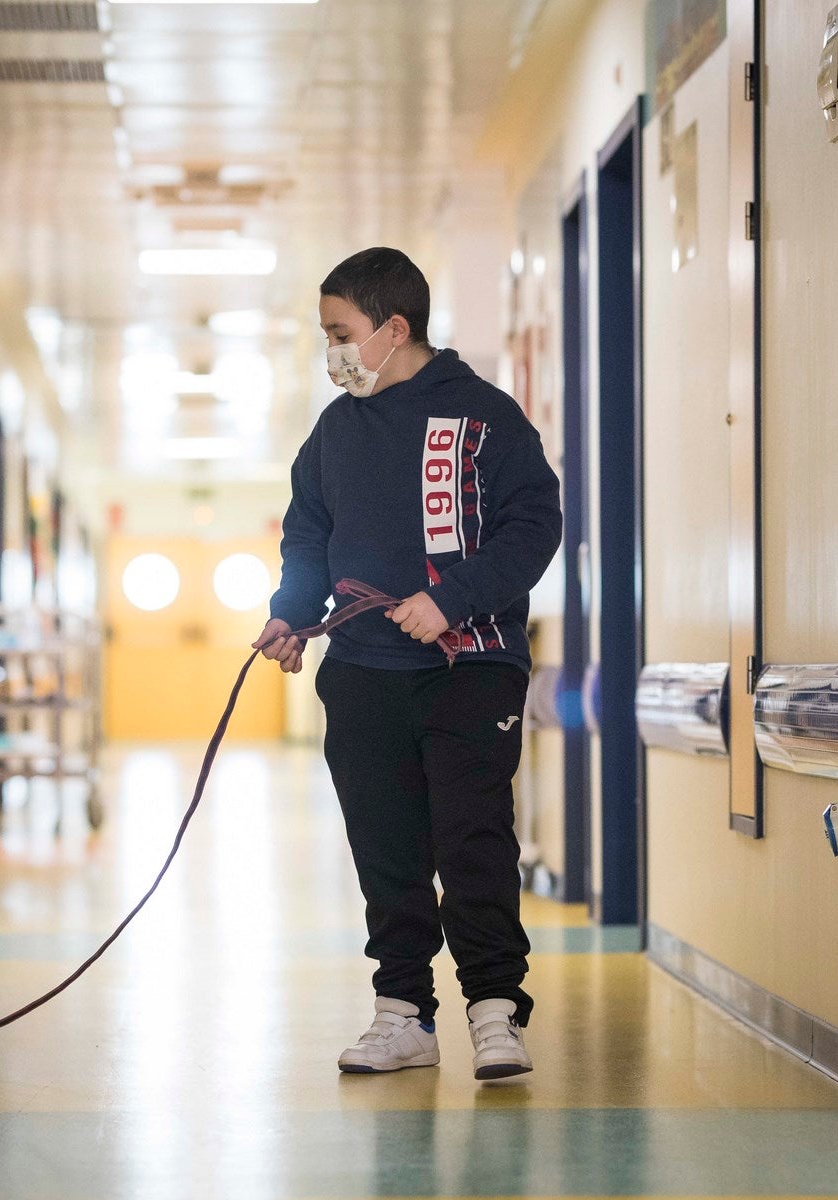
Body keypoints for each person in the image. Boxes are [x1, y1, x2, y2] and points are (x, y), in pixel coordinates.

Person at [256, 247, 562, 1081]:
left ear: (394, 329)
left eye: (340, 333)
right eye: (326, 335)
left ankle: (495, 1011)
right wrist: (290, 615)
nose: (332, 352)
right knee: (385, 848)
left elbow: (533, 525)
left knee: (471, 839)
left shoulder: (483, 417)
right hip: (361, 670)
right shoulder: (334, 432)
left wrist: (452, 598)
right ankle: (403, 1015)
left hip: (470, 666)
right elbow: (307, 537)